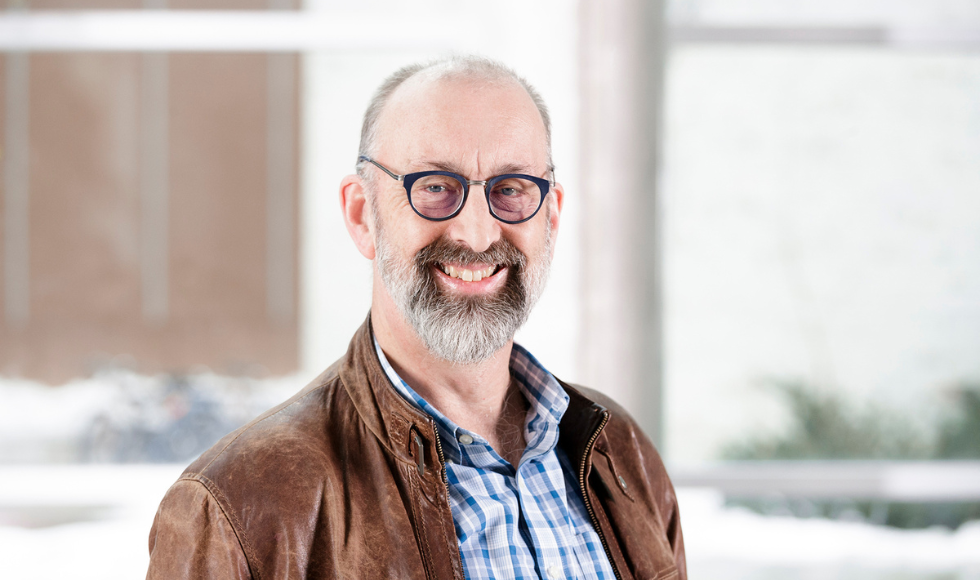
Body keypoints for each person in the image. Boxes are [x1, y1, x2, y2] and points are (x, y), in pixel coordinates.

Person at [146, 56, 685, 580]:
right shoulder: (238, 506)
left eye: (512, 189)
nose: (477, 234)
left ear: (551, 216)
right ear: (363, 215)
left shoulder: (619, 449)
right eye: (434, 187)